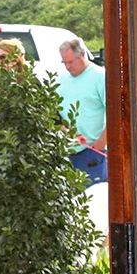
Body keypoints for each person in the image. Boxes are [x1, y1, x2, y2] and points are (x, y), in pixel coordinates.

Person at [57, 36, 108, 188]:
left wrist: (100, 144)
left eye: (71, 62)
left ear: (83, 54)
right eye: (64, 62)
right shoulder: (60, 80)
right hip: (66, 152)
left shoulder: (101, 77)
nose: (67, 67)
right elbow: (54, 114)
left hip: (92, 152)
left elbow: (115, 114)